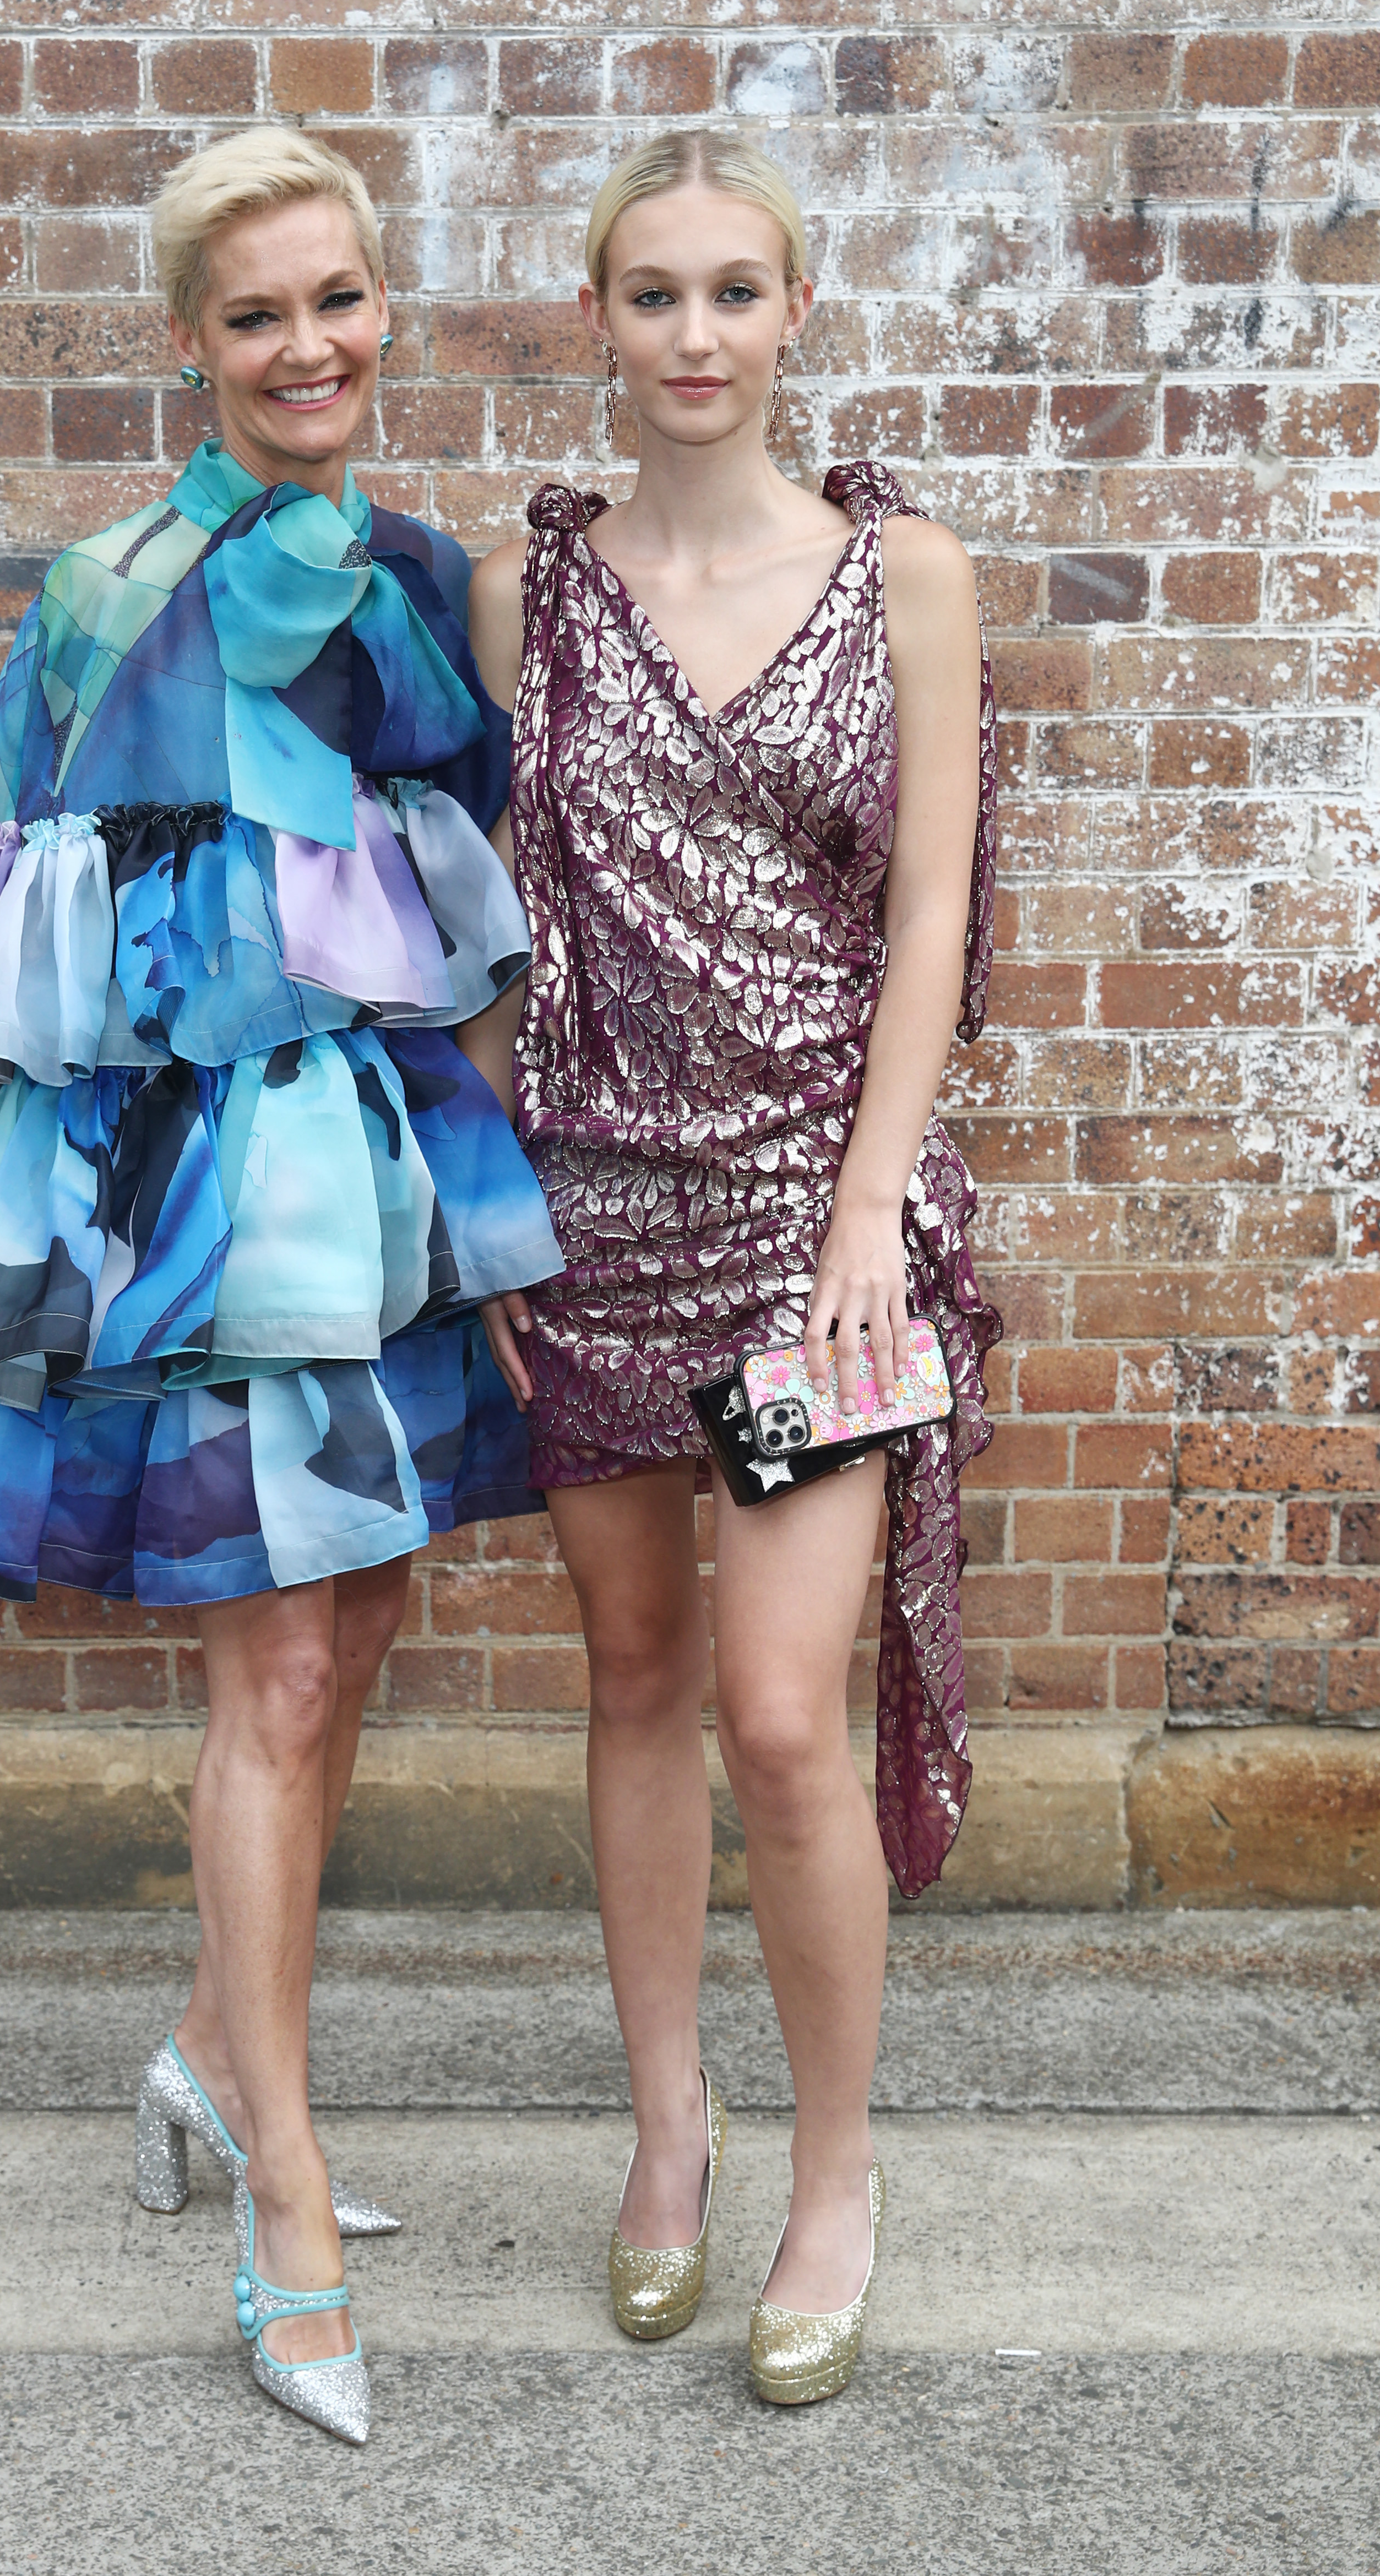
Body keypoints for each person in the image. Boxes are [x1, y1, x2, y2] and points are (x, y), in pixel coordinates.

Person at [0, 127, 562, 2445]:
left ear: (378, 306)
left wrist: (495, 1196)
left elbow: (470, 890)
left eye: (337, 298)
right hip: (169, 1191)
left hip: (378, 1174)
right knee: (282, 1653)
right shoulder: (105, 586)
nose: (306, 344)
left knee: (366, 1623)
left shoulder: (418, 576)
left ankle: (210, 2056)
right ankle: (286, 2193)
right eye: (253, 314)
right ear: (186, 343)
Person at [461, 129, 998, 2405]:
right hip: (586, 1205)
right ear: (594, 321)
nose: (693, 334)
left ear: (796, 314)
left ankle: (833, 2170)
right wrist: (488, 1178)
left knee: (785, 1714)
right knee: (635, 1675)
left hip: (808, 1221)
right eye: (650, 294)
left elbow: (925, 914)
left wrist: (873, 1190)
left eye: (733, 292)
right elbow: (494, 912)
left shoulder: (905, 575)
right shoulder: (521, 597)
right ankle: (667, 2129)